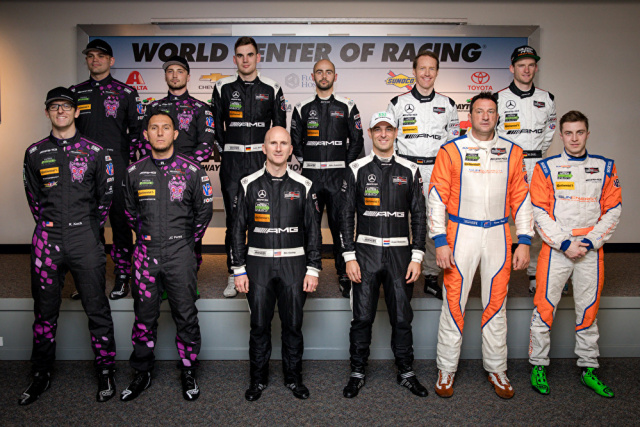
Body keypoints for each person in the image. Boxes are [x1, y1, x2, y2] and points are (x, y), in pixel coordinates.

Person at [428, 92, 533, 399]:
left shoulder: (513, 151)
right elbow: (436, 197)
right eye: (479, 111)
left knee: (497, 305)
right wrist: (440, 241)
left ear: (497, 116)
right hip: (461, 233)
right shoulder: (451, 150)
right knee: (453, 304)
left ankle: (497, 369)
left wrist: (524, 241)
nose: (485, 116)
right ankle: (446, 368)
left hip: (499, 234)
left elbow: (522, 198)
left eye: (490, 111)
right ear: (469, 116)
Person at [20, 87, 116, 405]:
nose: (60, 111)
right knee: (44, 313)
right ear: (47, 112)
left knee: (97, 309)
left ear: (76, 112)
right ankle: (40, 373)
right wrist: (52, 226)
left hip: (84, 239)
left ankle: (105, 371)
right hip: (47, 240)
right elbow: (34, 199)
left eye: (66, 106)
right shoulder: (35, 153)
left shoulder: (96, 152)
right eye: (54, 107)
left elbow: (104, 199)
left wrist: (86, 228)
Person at [120, 111, 213, 401]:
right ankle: (142, 371)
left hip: (180, 254)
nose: (160, 133)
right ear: (145, 134)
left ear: (175, 133)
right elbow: (129, 213)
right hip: (145, 254)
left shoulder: (193, 171)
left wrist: (185, 243)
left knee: (186, 315)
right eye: (154, 128)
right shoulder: (134, 172)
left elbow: (204, 213)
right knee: (143, 317)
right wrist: (148, 238)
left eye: (166, 128)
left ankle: (188, 370)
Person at [528, 111, 622, 398]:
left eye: (579, 132)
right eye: (568, 133)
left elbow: (613, 209)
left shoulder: (605, 167)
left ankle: (589, 368)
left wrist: (591, 241)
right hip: (557, 249)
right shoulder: (546, 167)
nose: (574, 138)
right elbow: (539, 210)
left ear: (587, 134)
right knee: (544, 307)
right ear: (561, 136)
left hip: (590, 250)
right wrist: (564, 242)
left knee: (588, 309)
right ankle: (538, 365)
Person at [340, 111, 428, 398]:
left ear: (396, 132)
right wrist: (349, 256)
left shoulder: (410, 169)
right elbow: (345, 216)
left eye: (388, 129)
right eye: (377, 129)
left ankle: (406, 372)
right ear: (369, 133)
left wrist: (417, 256)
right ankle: (357, 372)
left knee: (402, 317)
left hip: (400, 254)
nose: (383, 134)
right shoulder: (356, 169)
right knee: (362, 317)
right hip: (365, 252)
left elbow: (419, 215)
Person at [231, 126, 321, 401]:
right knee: (259, 325)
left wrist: (313, 268)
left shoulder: (304, 185)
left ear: (291, 150)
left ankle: (294, 379)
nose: (278, 148)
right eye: (273, 143)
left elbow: (314, 232)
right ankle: (257, 380)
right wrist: (238, 269)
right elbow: (237, 230)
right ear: (264, 148)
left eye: (284, 143)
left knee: (293, 325)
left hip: (294, 265)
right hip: (258, 265)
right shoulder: (248, 184)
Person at [212, 36, 287, 298]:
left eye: (250, 54)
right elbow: (216, 127)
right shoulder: (222, 86)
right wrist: (226, 153)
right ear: (235, 59)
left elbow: (279, 129)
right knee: (234, 221)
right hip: (233, 164)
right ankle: (234, 272)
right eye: (241, 55)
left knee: (263, 217)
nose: (245, 60)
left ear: (258, 57)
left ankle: (260, 271)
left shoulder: (272, 88)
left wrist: (272, 159)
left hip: (260, 162)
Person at [70, 39, 142, 300]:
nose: (95, 59)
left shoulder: (127, 92)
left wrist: (129, 165)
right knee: (88, 225)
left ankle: (123, 276)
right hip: (84, 169)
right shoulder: (75, 92)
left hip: (118, 167)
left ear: (111, 61)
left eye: (100, 56)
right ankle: (91, 278)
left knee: (121, 224)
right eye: (90, 55)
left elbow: (137, 132)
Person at [386, 50, 460, 300]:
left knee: (433, 224)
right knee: (399, 222)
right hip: (405, 170)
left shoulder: (448, 105)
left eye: (432, 69)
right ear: (414, 71)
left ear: (437, 72)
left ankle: (430, 276)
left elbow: (454, 144)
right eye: (422, 68)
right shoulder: (397, 103)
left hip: (437, 171)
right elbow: (388, 140)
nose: (427, 73)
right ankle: (397, 272)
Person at [290, 59, 364, 298]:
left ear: (335, 76)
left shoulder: (347, 105)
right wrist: (308, 163)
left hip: (337, 177)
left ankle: (343, 274)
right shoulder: (302, 107)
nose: (324, 76)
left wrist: (344, 168)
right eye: (319, 72)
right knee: (308, 226)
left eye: (328, 72)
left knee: (340, 225)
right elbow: (295, 141)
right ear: (313, 77)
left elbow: (357, 141)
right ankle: (307, 271)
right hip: (311, 176)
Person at [140, 56, 215, 272]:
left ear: (188, 76)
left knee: (190, 221)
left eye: (180, 71)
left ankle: (191, 271)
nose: (175, 75)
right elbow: (144, 141)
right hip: (155, 175)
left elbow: (206, 144)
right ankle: (156, 270)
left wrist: (183, 169)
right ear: (165, 76)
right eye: (170, 71)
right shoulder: (153, 108)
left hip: (189, 177)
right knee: (155, 220)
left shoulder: (201, 108)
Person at [496, 45, 557, 295]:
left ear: (536, 68)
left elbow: (549, 133)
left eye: (531, 65)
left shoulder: (547, 98)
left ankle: (534, 274)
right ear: (512, 68)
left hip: (537, 165)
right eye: (521, 65)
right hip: (506, 166)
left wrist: (535, 154)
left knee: (537, 219)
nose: (526, 69)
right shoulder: (498, 99)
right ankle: (499, 273)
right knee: (500, 220)